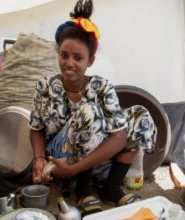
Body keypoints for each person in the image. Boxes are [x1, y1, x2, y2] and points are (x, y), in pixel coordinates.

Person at [29, 0, 157, 215]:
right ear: (58, 54)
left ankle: (111, 188)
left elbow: (119, 136)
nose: (69, 62)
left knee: (139, 115)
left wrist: (74, 167)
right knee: (90, 112)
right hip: (59, 157)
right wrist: (40, 159)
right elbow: (35, 128)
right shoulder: (45, 87)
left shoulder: (101, 87)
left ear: (90, 61)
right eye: (64, 55)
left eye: (78, 57)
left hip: (84, 161)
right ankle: (82, 189)